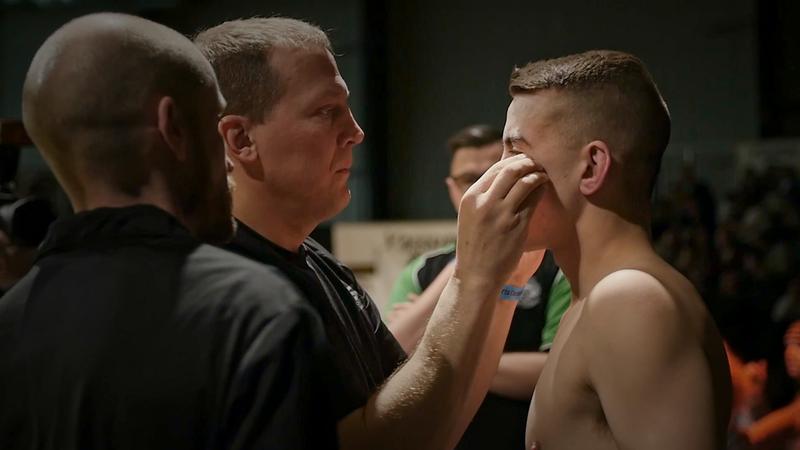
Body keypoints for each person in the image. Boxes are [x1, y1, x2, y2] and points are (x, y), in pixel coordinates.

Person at [194, 17, 550, 450]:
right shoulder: (219, 290)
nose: (356, 132)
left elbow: (435, 416)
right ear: (240, 139)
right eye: (326, 112)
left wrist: (506, 282)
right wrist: (472, 277)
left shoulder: (318, 263)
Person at [0, 13, 337, 449]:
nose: (229, 161)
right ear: (173, 126)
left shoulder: (8, 325)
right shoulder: (256, 317)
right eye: (213, 120)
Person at [502, 50, 732, 449]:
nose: (497, 173)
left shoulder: (629, 300)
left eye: (516, 152)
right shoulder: (595, 298)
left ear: (592, 167)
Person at [386, 124, 572, 450]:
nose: (483, 188)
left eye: (493, 173)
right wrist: (465, 262)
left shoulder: (556, 267)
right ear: (451, 188)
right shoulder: (421, 270)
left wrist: (432, 357)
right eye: (469, 179)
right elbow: (389, 357)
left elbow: (560, 373)